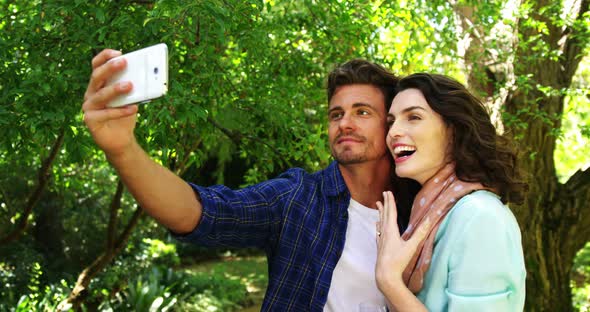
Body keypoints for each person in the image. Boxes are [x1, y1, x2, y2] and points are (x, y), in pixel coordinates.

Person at [82, 50, 417, 311]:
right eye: (336, 114)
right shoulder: (297, 198)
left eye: (362, 112)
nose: (344, 123)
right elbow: (202, 213)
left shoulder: (421, 207)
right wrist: (123, 149)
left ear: (390, 125)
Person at [374, 73, 527, 311]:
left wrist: (389, 280)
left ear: (454, 130)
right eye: (391, 121)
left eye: (413, 117)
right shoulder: (431, 213)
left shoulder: (480, 217)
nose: (393, 132)